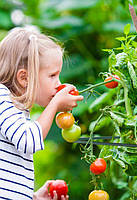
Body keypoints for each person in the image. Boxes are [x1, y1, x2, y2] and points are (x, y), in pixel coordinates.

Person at [0, 27, 83, 199]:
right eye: (52, 75)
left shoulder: (17, 110)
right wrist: (54, 105)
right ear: (24, 78)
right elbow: (28, 140)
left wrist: (35, 197)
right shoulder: (1, 97)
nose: (58, 83)